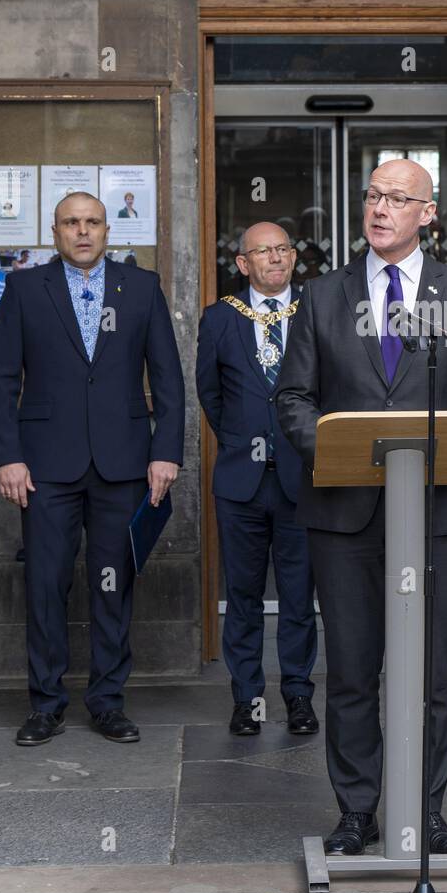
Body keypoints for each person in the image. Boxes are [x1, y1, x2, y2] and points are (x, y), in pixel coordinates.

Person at [277, 159, 447, 855]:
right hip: (342, 516)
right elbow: (292, 398)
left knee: (429, 676)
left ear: (428, 215)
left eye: (399, 199)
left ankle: (426, 813)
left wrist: (444, 442)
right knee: (350, 671)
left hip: (433, 519)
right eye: (373, 195)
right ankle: (357, 812)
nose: (380, 208)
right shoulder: (320, 296)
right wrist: (342, 445)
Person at [0, 192, 184, 747]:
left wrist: (165, 452)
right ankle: (45, 705)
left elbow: (167, 379)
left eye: (93, 222)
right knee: (46, 583)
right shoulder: (26, 288)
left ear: (106, 231)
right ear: (55, 231)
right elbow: (0, 380)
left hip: (123, 464)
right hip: (44, 466)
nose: (83, 231)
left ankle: (106, 702)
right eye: (72, 223)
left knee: (112, 585)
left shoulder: (140, 288)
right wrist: (8, 456)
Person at [196, 221, 318, 738]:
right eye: (263, 252)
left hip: (301, 479)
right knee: (242, 596)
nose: (275, 259)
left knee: (298, 596)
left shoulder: (315, 309)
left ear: (293, 258)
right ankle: (247, 699)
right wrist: (241, 441)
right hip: (241, 482)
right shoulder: (220, 318)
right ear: (242, 263)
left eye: (283, 250)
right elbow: (210, 392)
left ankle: (297, 696)